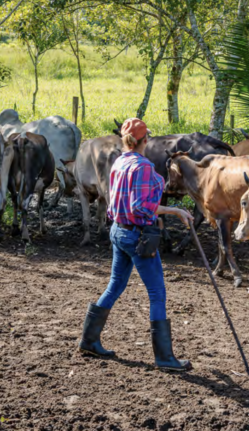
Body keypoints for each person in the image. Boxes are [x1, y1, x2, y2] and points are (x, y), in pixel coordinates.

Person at [77, 118, 195, 372]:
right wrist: (173, 210)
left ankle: (89, 340)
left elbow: (119, 200)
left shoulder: (120, 161)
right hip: (137, 235)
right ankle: (164, 358)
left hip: (118, 231)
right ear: (144, 140)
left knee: (115, 284)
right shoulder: (142, 166)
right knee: (157, 293)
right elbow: (140, 206)